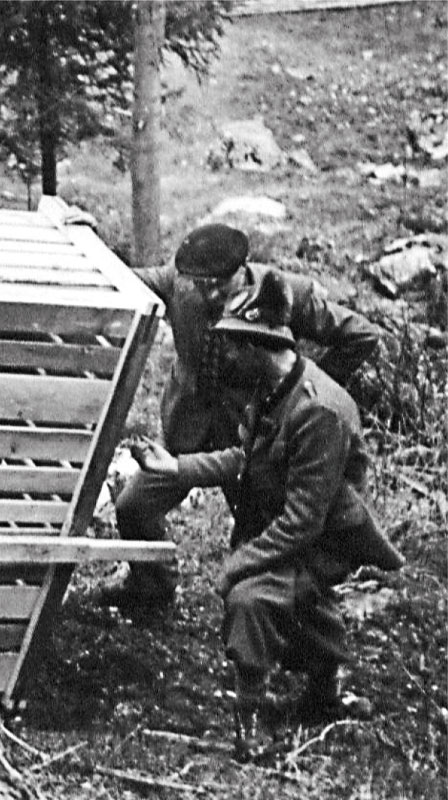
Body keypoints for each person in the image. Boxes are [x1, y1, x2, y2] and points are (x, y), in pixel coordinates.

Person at [129, 270, 403, 758]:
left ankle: (249, 725)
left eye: (236, 346)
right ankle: (325, 691)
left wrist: (238, 564)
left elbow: (304, 523)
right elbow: (246, 458)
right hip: (290, 524)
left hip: (326, 539)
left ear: (258, 348)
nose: (228, 356)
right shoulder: (271, 389)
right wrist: (177, 466)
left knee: (252, 596)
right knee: (298, 603)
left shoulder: (319, 412)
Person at [102, 222, 381, 610]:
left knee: (263, 543)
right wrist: (78, 232)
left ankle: (303, 631)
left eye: (222, 283)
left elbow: (361, 335)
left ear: (244, 267)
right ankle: (152, 587)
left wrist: (309, 389)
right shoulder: (178, 282)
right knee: (133, 506)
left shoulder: (283, 293)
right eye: (202, 284)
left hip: (254, 440)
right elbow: (116, 277)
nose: (211, 293)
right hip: (189, 429)